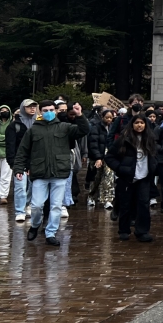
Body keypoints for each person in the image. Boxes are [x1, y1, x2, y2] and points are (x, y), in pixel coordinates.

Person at [13, 100, 89, 246]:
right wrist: (18, 169)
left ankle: (51, 233)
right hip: (39, 173)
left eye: (51, 110)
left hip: (59, 172)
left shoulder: (64, 127)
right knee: (36, 205)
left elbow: (83, 130)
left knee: (56, 206)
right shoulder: (33, 130)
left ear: (55, 111)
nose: (49, 112)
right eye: (45, 110)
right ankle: (35, 225)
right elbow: (22, 151)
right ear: (40, 112)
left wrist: (80, 115)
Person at [106, 112, 157, 242]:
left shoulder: (150, 139)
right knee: (125, 204)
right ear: (132, 125)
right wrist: (120, 168)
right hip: (127, 177)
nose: (139, 125)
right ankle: (124, 230)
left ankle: (142, 231)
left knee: (143, 205)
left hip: (144, 177)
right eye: (136, 123)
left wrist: (154, 167)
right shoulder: (124, 139)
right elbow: (110, 157)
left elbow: (157, 155)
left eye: (141, 123)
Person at [6, 100, 37, 222]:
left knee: (32, 186)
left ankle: (27, 205)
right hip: (20, 161)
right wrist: (13, 163)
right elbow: (10, 146)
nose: (32, 108)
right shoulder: (14, 126)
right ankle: (20, 210)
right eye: (29, 106)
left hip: (34, 161)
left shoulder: (38, 124)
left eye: (34, 106)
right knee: (20, 186)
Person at [87, 108, 117, 210]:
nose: (109, 120)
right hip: (97, 156)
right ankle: (91, 196)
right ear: (102, 117)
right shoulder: (96, 128)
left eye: (111, 118)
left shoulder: (113, 128)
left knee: (109, 177)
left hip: (109, 156)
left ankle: (108, 199)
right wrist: (97, 157)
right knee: (96, 177)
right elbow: (93, 143)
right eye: (107, 117)